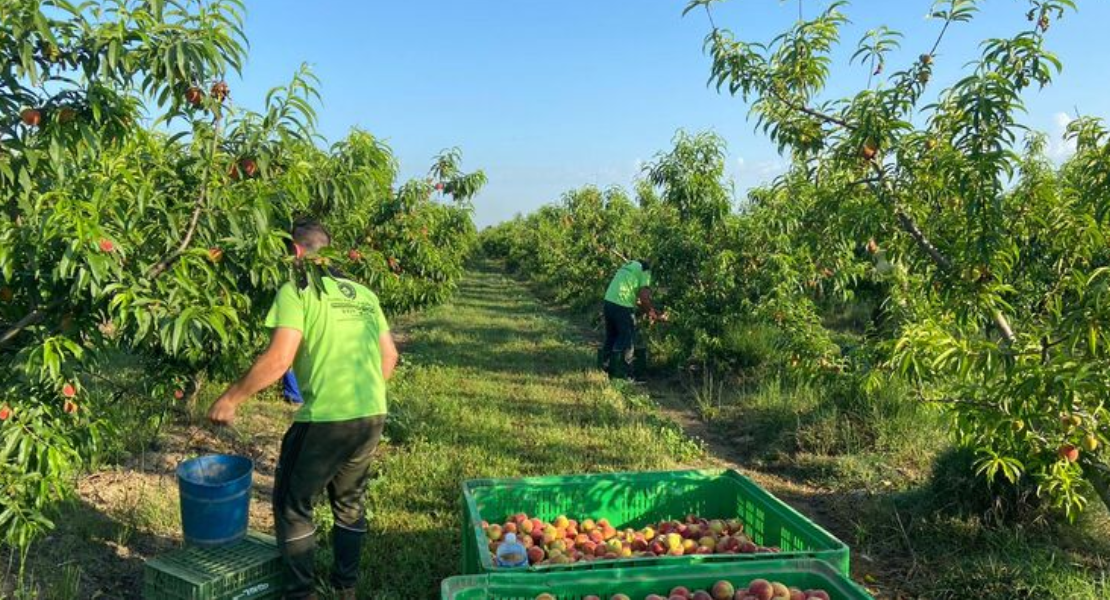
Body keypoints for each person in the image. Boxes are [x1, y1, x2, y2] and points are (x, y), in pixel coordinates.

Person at [207, 218, 399, 600]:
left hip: (327, 419)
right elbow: (390, 356)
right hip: (372, 415)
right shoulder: (363, 294)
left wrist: (230, 399)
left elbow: (279, 361)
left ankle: (300, 594)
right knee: (348, 503)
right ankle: (346, 588)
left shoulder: (297, 290)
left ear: (295, 251)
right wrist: (362, 398)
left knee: (293, 504)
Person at [601, 259, 659, 380]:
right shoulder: (645, 270)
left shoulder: (631, 265)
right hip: (622, 304)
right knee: (626, 340)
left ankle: (605, 369)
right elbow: (644, 298)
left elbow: (632, 293)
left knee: (611, 337)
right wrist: (652, 313)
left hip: (608, 301)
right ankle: (623, 375)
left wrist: (642, 309)